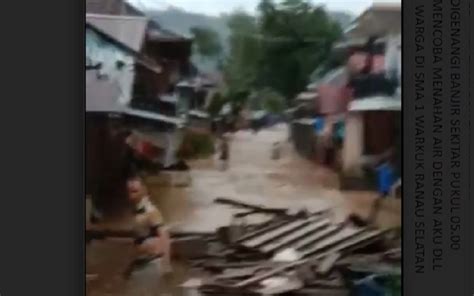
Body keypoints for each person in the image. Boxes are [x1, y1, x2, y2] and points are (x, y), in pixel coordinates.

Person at [124, 173, 172, 284]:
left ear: (144, 190)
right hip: (143, 259)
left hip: (152, 262)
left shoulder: (150, 211)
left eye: (135, 191)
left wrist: (166, 266)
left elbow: (164, 235)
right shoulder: (138, 209)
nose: (131, 195)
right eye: (129, 191)